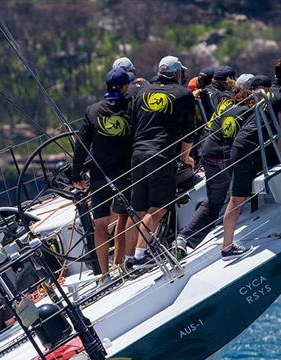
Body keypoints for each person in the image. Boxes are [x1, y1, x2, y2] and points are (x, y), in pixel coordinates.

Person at [220, 59, 281, 260]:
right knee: (237, 199)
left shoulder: (269, 92)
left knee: (237, 198)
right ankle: (227, 248)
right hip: (248, 149)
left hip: (244, 145)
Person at [174, 85, 256, 256]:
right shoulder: (249, 112)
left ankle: (183, 238)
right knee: (235, 199)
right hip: (226, 159)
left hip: (209, 156)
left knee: (213, 203)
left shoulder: (224, 106)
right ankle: (228, 245)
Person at [129, 56, 195, 267]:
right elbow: (189, 132)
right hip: (161, 155)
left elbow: (133, 123)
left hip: (138, 155)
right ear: (177, 74)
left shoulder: (142, 93)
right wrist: (185, 157)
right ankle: (140, 256)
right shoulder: (184, 95)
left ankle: (127, 258)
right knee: (159, 208)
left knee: (140, 209)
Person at [71, 67, 134, 276]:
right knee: (124, 219)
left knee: (99, 225)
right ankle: (122, 264)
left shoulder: (92, 110)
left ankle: (105, 275)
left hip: (99, 177)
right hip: (126, 173)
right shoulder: (131, 106)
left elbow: (81, 146)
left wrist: (76, 176)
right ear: (125, 86)